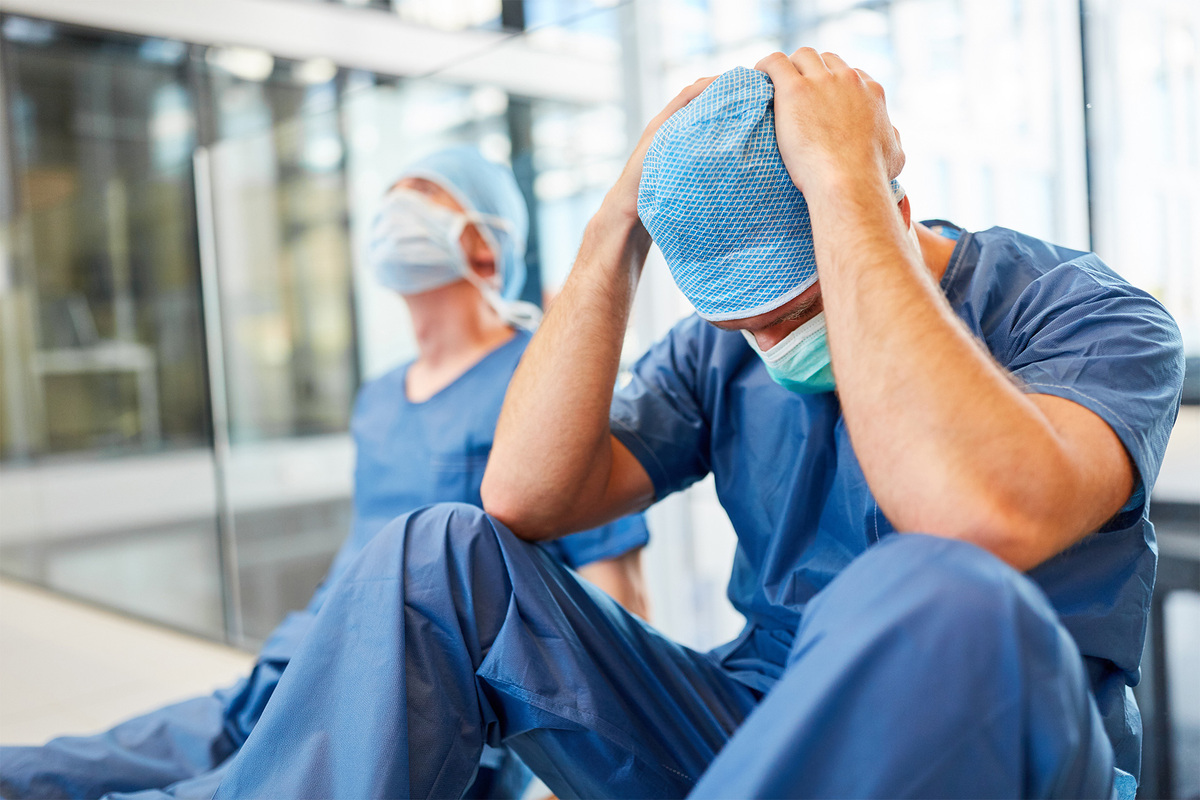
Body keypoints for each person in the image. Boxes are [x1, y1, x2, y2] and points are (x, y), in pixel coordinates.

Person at [202, 53, 1184, 799]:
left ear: (897, 210)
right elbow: (524, 497)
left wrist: (845, 188)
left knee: (939, 584)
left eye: (796, 308)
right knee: (441, 555)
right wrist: (614, 227)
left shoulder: (1085, 315)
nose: (770, 343)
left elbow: (978, 519)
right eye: (743, 322)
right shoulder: (721, 357)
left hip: (998, 737)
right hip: (758, 730)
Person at [0, 147, 649, 800]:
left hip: (411, 704)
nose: (398, 209)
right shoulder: (379, 398)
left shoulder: (540, 388)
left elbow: (612, 596)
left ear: (488, 246)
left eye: (426, 192)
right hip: (299, 664)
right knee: (53, 768)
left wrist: (568, 778)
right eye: (395, 192)